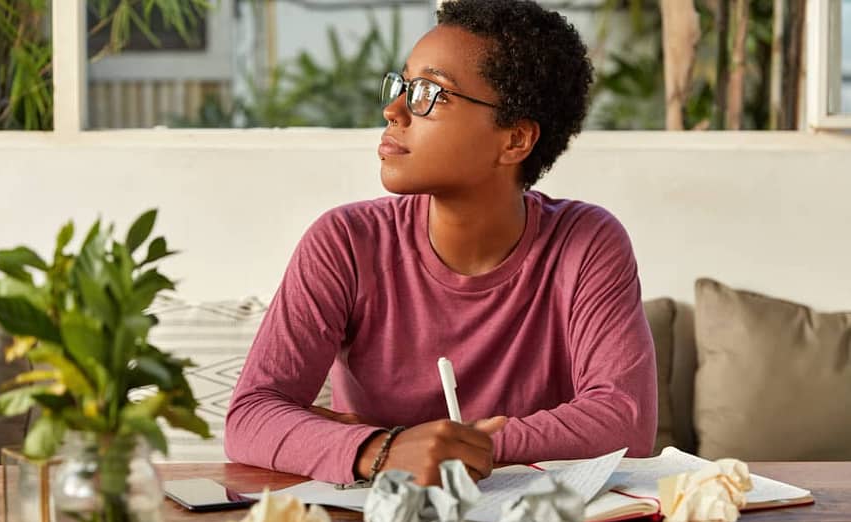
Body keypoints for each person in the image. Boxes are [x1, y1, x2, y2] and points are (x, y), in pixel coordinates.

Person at [225, 0, 657, 486]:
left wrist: (457, 447)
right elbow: (250, 416)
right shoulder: (345, 242)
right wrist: (383, 449)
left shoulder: (587, 243)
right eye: (405, 85)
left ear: (514, 140)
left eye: (431, 92)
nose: (394, 110)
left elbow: (626, 422)